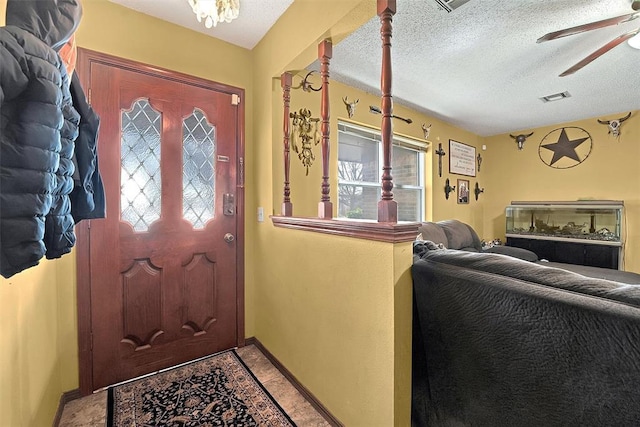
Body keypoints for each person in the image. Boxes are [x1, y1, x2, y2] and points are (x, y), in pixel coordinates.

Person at [0, 0, 82, 278]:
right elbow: (60, 158)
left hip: (17, 218)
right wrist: (58, 230)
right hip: (30, 220)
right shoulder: (22, 50)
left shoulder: (29, 53)